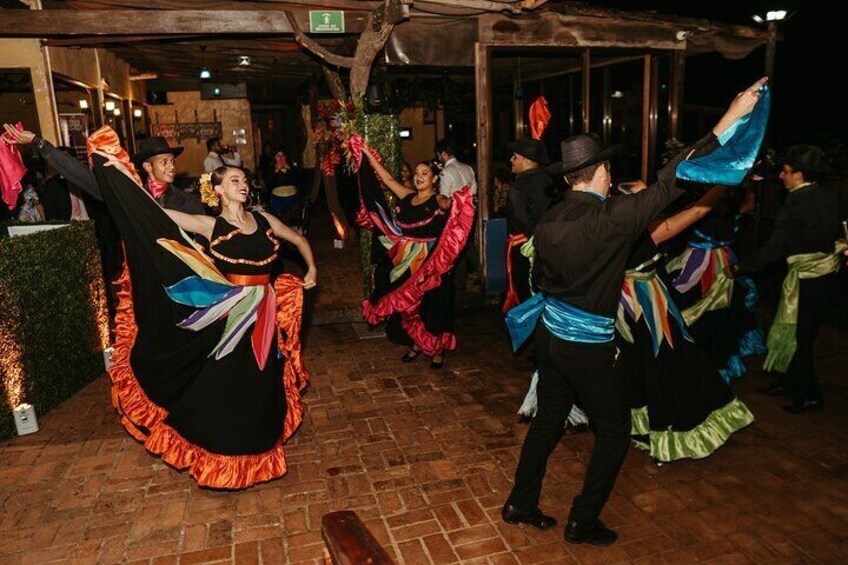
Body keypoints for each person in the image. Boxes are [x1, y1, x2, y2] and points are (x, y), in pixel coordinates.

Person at [501, 78, 766, 546]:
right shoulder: (611, 218)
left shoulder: (550, 218)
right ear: (601, 171)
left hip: (549, 337)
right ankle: (583, 521)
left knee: (548, 422)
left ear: (568, 178)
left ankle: (520, 503)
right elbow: (675, 177)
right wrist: (730, 118)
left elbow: (539, 278)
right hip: (585, 346)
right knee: (616, 430)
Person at [87, 125, 317, 489]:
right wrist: (122, 176)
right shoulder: (210, 225)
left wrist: (313, 269)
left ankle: (260, 445)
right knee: (227, 380)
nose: (243, 184)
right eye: (235, 180)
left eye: (244, 180)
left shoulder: (264, 220)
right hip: (228, 313)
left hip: (265, 311)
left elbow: (299, 239)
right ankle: (224, 450)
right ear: (219, 189)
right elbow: (155, 216)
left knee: (263, 378)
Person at [615, 184, 754, 463]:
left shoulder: (612, 228)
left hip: (623, 306)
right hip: (646, 307)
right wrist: (722, 183)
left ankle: (641, 426)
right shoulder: (647, 230)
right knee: (666, 365)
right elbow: (695, 212)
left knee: (638, 365)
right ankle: (670, 434)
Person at [731, 144, 844, 413]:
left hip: (808, 276)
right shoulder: (827, 196)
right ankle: (787, 381)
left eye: (785, 171)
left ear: (800, 175)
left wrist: (742, 267)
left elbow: (776, 246)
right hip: (824, 274)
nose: (781, 176)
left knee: (798, 335)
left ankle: (809, 396)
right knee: (792, 329)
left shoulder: (797, 202)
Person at [359, 147, 474, 369]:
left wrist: (451, 203)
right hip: (406, 259)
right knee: (406, 304)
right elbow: (387, 178)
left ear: (433, 179)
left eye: (424, 174)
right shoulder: (407, 196)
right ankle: (417, 343)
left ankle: (437, 349)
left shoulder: (437, 199)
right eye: (417, 173)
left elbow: (445, 203)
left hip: (431, 261)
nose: (419, 177)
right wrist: (367, 153)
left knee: (433, 305)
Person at [665, 181, 766, 383]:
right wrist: (750, 187)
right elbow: (748, 205)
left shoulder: (698, 211)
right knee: (723, 314)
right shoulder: (733, 209)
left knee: (687, 311)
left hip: (697, 266)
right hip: (726, 264)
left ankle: (695, 365)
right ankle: (718, 365)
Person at [2, 124, 204, 215]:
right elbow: (81, 175)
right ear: (147, 165)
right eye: (165, 162)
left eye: (172, 161)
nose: (172, 167)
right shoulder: (129, 190)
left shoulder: (188, 201)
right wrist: (39, 142)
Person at [503, 138, 552, 312]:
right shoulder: (549, 182)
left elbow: (522, 221)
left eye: (515, 157)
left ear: (527, 160)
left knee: (524, 294)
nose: (511, 160)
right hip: (548, 246)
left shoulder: (518, 187)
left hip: (524, 248)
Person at [435, 138, 477, 289]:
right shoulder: (468, 168)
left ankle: (458, 283)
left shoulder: (446, 172)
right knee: (466, 246)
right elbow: (474, 191)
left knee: (455, 248)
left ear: (444, 154)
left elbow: (444, 198)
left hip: (455, 215)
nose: (438, 158)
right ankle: (476, 272)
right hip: (470, 213)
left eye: (439, 155)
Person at [38, 146, 90, 221]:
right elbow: (51, 215)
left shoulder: (85, 179)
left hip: (89, 222)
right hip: (69, 226)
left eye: (67, 160)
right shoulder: (53, 184)